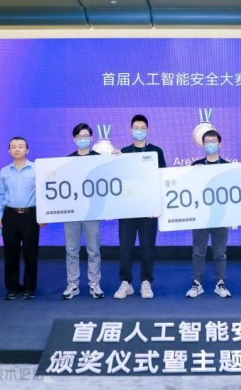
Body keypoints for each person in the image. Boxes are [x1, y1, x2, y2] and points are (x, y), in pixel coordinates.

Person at [115, 115, 167, 299]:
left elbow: (162, 179)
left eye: (142, 127)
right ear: (131, 130)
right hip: (128, 209)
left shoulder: (156, 152)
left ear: (147, 130)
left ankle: (146, 281)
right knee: (125, 247)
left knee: (147, 247)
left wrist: (157, 205)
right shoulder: (123, 152)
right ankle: (126, 282)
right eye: (136, 128)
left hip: (149, 209)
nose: (139, 131)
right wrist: (113, 161)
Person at [0, 137, 43, 300]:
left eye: (21, 146)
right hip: (10, 215)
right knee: (10, 253)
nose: (17, 149)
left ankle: (29, 287)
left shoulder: (37, 169)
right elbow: (0, 196)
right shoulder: (4, 171)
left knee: (31, 252)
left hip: (30, 215)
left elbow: (43, 194)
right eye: (13, 147)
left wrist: (43, 214)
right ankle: (12, 287)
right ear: (9, 151)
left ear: (27, 150)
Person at [186, 129, 231, 298]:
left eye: (213, 141)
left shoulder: (227, 167)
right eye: (207, 142)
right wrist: (193, 174)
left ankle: (220, 282)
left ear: (220, 144)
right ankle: (197, 283)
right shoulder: (196, 165)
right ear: (203, 145)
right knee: (198, 252)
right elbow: (189, 189)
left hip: (220, 217)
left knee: (220, 253)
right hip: (201, 216)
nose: (210, 144)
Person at [61, 123, 104, 300]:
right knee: (71, 250)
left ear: (91, 138)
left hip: (91, 212)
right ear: (74, 139)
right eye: (79, 137)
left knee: (93, 250)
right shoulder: (67, 161)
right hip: (71, 212)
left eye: (86, 136)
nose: (83, 139)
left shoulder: (99, 159)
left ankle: (95, 284)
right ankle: (73, 284)